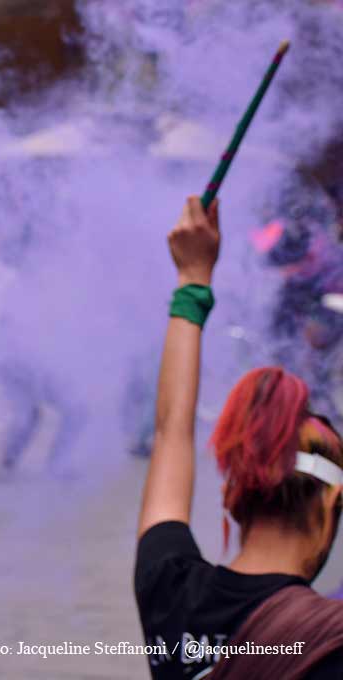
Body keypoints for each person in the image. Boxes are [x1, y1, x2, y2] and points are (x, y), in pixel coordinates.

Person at [135, 197, 343, 679]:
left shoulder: (168, 591)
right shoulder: (328, 639)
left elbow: (170, 432)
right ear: (333, 500)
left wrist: (192, 279)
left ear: (233, 493)